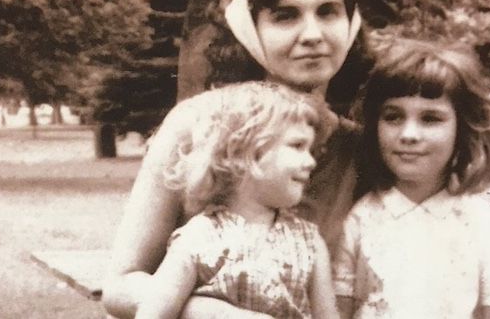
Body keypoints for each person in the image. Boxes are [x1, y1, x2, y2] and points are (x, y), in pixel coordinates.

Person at [103, 0, 371, 317]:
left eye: (328, 12)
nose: (312, 34)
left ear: (351, 21)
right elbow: (121, 284)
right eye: (285, 16)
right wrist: (214, 312)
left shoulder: (359, 148)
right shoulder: (195, 125)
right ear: (250, 27)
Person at [333, 38, 490, 319]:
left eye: (430, 119)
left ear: (463, 129)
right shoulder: (361, 219)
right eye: (393, 117)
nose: (409, 134)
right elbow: (339, 311)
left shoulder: (487, 228)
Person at [134, 81, 339, 319]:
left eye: (310, 149)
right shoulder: (198, 238)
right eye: (297, 146)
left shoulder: (308, 242)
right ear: (243, 155)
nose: (310, 161)